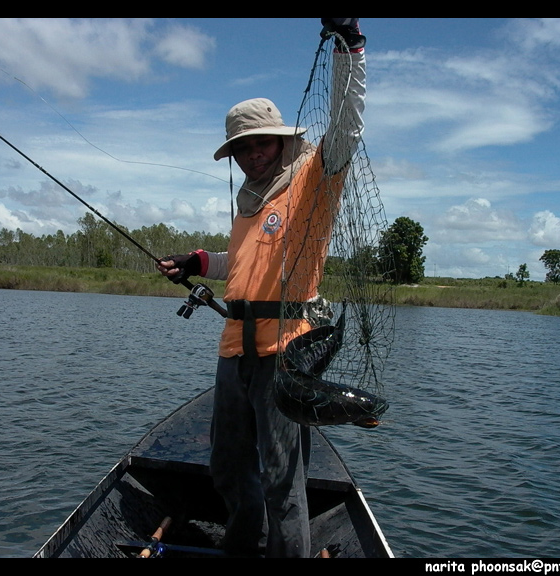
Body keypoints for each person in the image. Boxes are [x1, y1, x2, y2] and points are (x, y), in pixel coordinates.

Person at [158, 18, 367, 558]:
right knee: (226, 467)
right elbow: (245, 264)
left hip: (283, 355)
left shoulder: (313, 182)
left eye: (261, 143)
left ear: (281, 140)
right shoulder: (250, 202)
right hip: (234, 353)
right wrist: (199, 261)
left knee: (282, 481)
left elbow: (346, 127)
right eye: (243, 147)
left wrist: (351, 47)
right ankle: (244, 547)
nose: (253, 154)